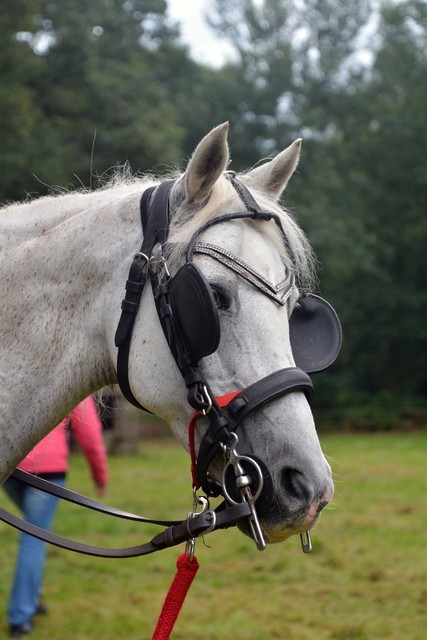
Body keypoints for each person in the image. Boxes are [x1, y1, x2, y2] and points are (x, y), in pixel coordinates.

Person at [3, 397, 109, 638]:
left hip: (11, 469)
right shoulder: (70, 370)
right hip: (48, 473)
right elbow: (90, 434)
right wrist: (100, 475)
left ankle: (31, 596)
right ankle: (21, 616)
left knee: (33, 529)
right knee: (34, 539)